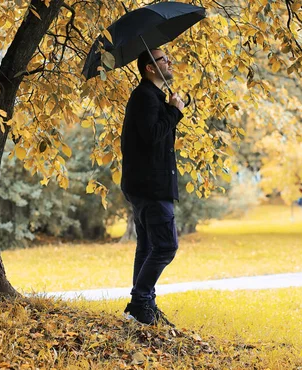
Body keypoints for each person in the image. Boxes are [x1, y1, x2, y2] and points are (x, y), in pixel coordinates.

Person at [120, 48, 185, 326]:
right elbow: (151, 137)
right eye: (163, 59)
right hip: (151, 185)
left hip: (147, 184)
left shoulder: (152, 97)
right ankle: (140, 301)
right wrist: (174, 112)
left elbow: (157, 135)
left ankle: (144, 306)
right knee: (166, 246)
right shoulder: (145, 97)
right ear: (149, 67)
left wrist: (171, 109)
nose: (169, 62)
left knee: (147, 247)